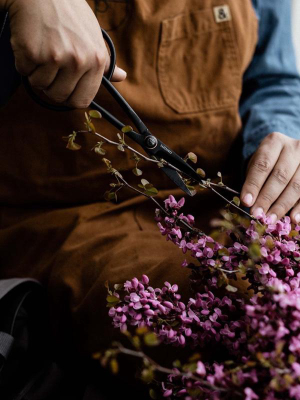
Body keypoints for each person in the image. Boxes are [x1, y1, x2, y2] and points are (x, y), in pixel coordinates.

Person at [0, 0, 300, 359]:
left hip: (231, 201)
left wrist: (278, 143)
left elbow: (271, 79)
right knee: (250, 319)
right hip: (64, 218)